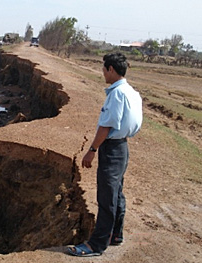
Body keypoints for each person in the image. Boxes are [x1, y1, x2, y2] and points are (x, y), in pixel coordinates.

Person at [68, 52, 143, 257]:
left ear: (111, 69)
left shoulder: (116, 94)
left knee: (106, 197)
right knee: (117, 192)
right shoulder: (132, 92)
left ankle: (97, 244)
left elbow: (106, 126)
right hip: (123, 147)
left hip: (111, 148)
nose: (102, 73)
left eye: (103, 69)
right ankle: (115, 235)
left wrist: (91, 151)